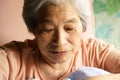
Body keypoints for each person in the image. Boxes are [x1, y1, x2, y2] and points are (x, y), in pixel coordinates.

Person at [0, 0, 120, 80]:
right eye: (47, 29)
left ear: (82, 26)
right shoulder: (10, 58)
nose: (60, 41)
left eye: (70, 28)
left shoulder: (95, 51)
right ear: (33, 29)